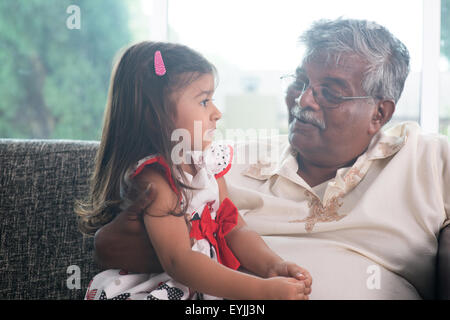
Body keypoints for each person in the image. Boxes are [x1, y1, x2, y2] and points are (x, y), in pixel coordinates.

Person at [91, 19, 450, 299]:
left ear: (379, 114)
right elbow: (112, 247)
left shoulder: (429, 160)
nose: (304, 100)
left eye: (330, 92)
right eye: (299, 81)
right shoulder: (218, 161)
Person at [75, 41, 313, 300]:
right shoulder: (154, 181)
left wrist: (272, 267)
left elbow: (234, 228)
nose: (217, 113)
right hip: (158, 290)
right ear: (156, 116)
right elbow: (179, 261)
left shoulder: (207, 165)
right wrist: (261, 291)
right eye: (204, 101)